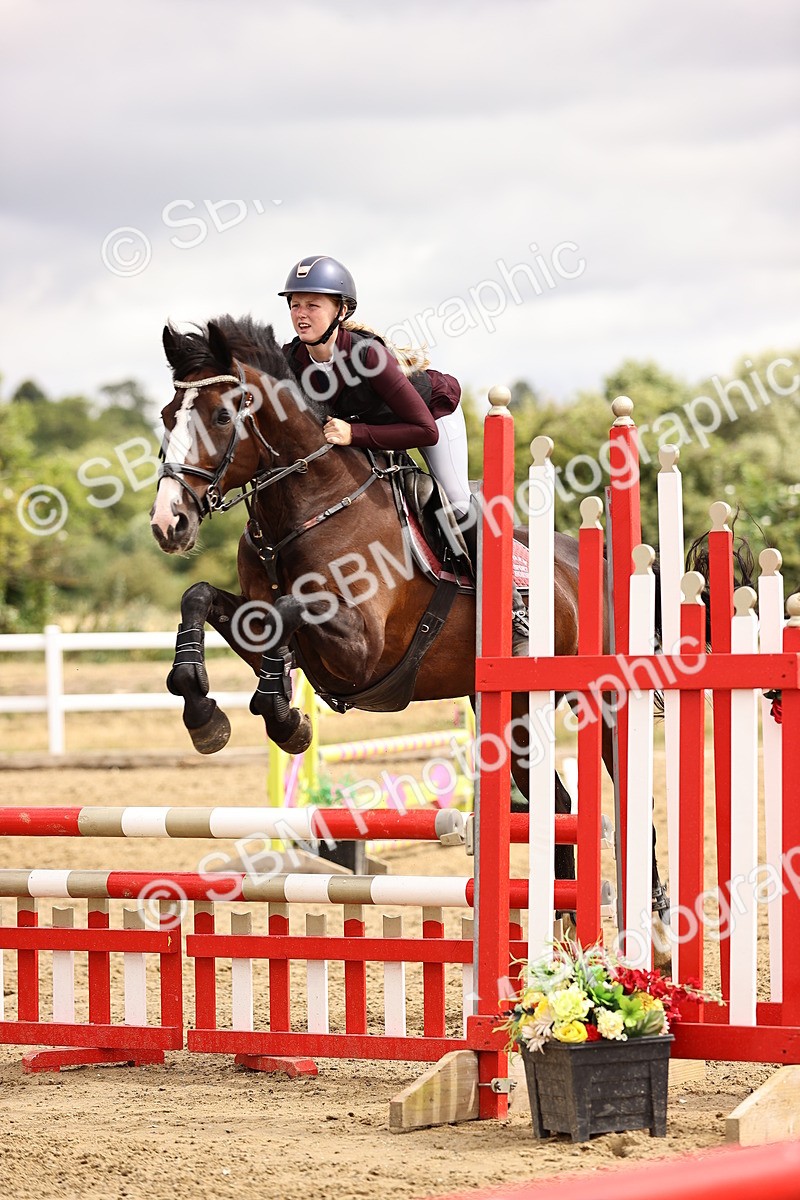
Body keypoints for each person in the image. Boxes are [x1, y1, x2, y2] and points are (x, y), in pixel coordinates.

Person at [279, 254, 529, 652]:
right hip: (365, 430)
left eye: (313, 304)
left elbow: (422, 430)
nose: (301, 314)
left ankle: (514, 613)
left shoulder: (368, 355)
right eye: (294, 304)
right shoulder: (291, 359)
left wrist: (354, 433)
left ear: (340, 310)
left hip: (430, 417)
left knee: (458, 505)